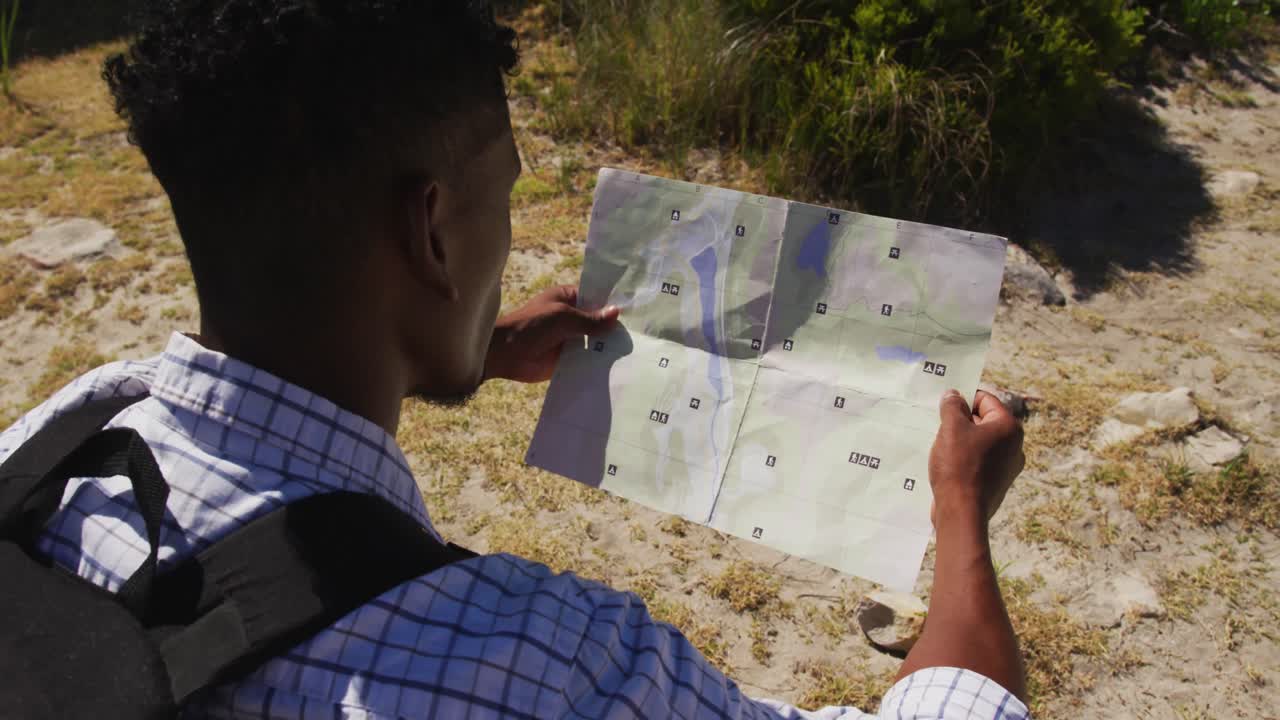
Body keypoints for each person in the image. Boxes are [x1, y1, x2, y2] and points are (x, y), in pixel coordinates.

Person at [0, 2, 1029, 717]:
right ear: (433, 234)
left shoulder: (68, 441)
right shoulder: (545, 668)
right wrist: (957, 518)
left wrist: (473, 351)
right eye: (503, 194)